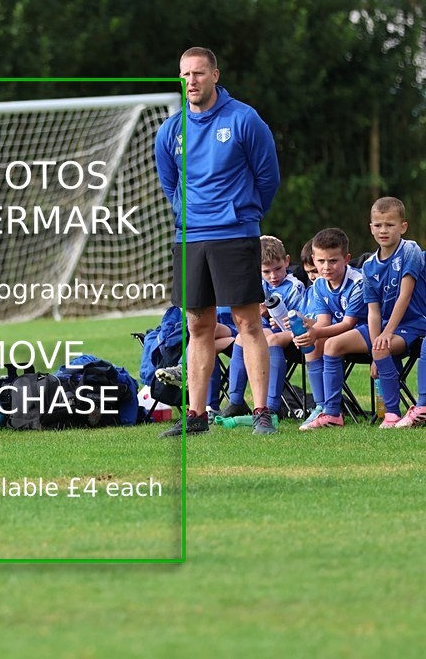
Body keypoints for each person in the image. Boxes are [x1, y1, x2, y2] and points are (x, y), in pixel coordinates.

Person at [154, 47, 281, 437]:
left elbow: (268, 178)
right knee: (198, 325)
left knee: (247, 322)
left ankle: (262, 412)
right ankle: (196, 417)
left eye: (198, 73)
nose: (190, 81)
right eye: (184, 75)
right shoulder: (171, 130)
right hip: (190, 238)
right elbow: (170, 184)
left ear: (214, 75)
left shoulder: (244, 119)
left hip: (235, 234)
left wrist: (242, 214)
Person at [300, 198, 426, 430]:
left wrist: (383, 337)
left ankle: (391, 414)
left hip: (413, 324)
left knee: (381, 348)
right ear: (371, 228)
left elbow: (404, 297)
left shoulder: (410, 250)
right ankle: (331, 413)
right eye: (378, 225)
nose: (383, 230)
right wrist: (376, 336)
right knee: (331, 345)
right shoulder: (368, 266)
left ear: (403, 227)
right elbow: (373, 310)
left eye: (390, 224)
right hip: (384, 325)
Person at [220, 235, 305, 419]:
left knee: (270, 338)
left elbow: (301, 318)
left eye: (278, 269)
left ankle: (273, 406)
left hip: (293, 333)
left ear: (287, 261)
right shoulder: (257, 284)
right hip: (265, 332)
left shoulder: (294, 286)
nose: (273, 276)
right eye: (266, 271)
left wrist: (279, 318)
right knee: (243, 336)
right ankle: (236, 401)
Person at [291, 229, 366, 428]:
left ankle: (333, 413)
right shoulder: (319, 286)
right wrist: (307, 330)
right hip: (342, 333)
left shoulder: (358, 283)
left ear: (346, 259)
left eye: (333, 261)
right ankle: (320, 406)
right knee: (313, 345)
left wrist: (316, 332)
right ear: (313, 259)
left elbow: (348, 323)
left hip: (369, 331)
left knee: (330, 343)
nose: (326, 267)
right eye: (321, 261)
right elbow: (324, 322)